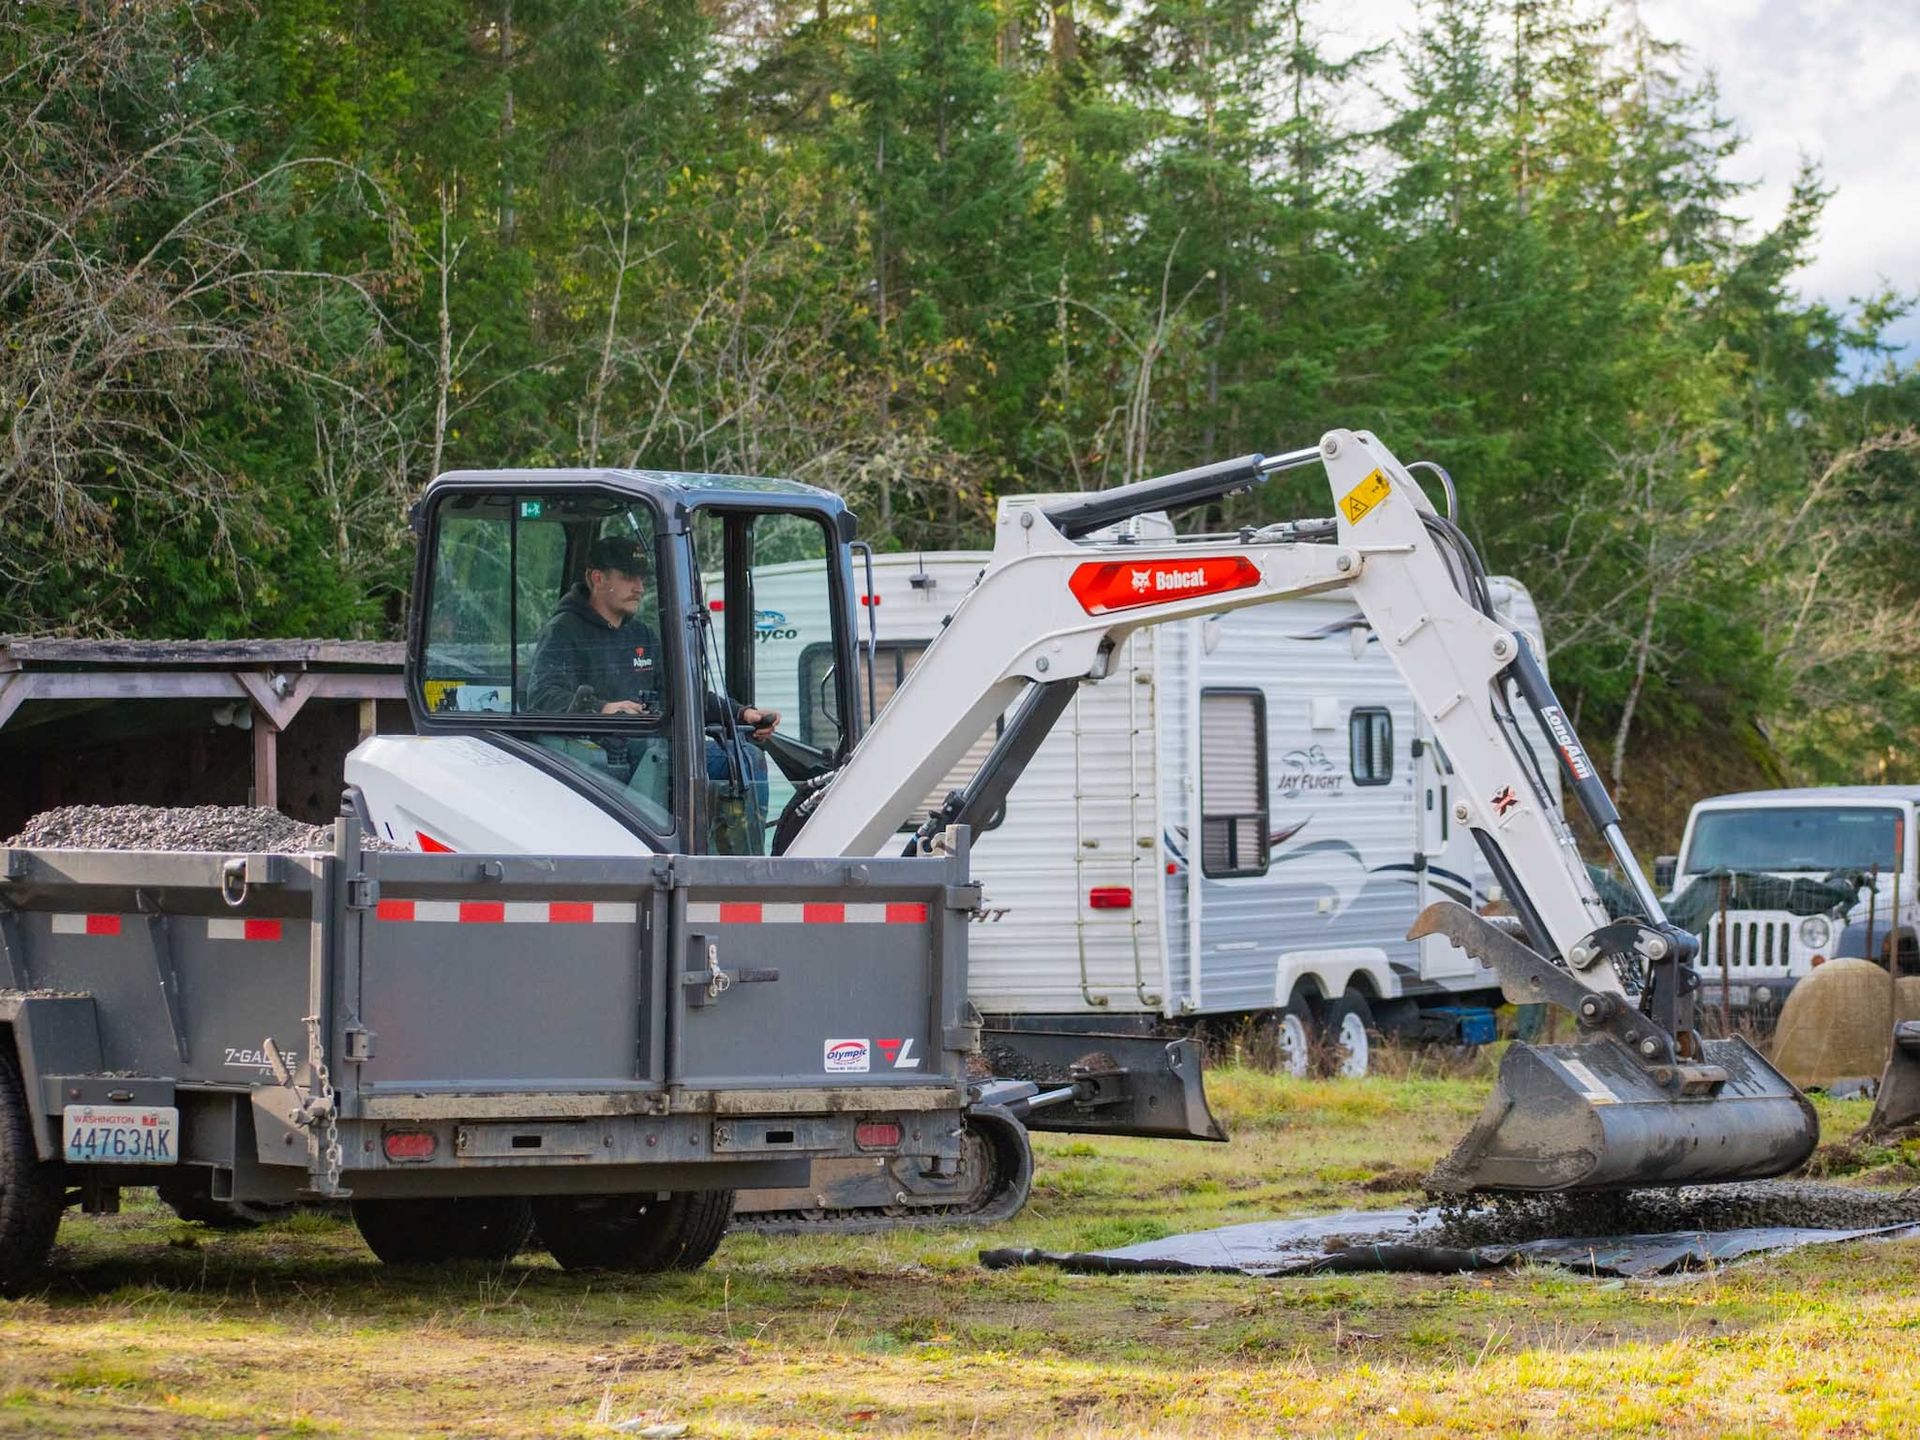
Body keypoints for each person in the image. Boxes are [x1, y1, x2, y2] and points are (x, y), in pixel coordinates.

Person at [526, 534, 779, 739]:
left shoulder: (641, 635)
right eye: (627, 578)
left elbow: (681, 694)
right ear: (598, 578)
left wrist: (741, 714)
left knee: (744, 759)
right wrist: (602, 708)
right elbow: (542, 697)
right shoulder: (563, 631)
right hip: (593, 759)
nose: (639, 588)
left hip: (648, 750)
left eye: (641, 578)